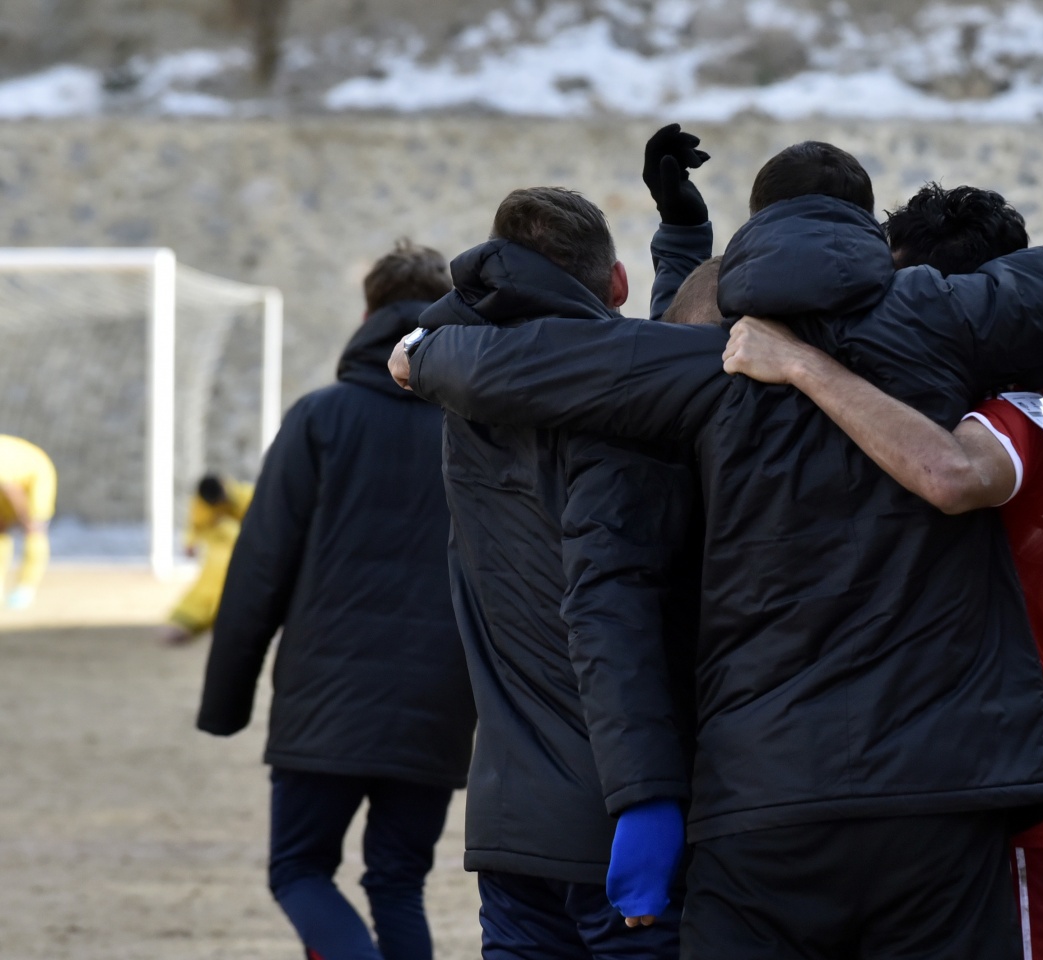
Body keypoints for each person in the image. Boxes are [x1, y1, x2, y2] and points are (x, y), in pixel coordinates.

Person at [392, 138, 1043, 958]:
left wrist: (431, 350)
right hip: (944, 790)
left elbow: (585, 361)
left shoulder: (719, 363)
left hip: (758, 793)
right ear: (866, 241)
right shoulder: (941, 327)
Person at [721, 183, 1043, 960]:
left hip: (1034, 803)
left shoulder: (1019, 407)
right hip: (1003, 777)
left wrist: (805, 365)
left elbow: (952, 475)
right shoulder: (1037, 399)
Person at [395, 183, 704, 958]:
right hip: (619, 816)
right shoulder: (613, 419)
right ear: (617, 283)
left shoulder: (466, 395)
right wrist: (647, 799)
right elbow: (611, 619)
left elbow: (613, 359)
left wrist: (684, 246)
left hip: (509, 818)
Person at [197, 240, 475, 960]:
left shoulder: (321, 417)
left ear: (366, 313)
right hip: (439, 702)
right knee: (399, 882)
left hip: (324, 699)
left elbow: (259, 568)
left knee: (299, 871)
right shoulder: (478, 427)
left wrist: (226, 703)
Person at [160, 473, 254, 646]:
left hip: (244, 546)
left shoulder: (247, 495)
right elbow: (195, 525)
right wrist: (190, 542)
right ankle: (193, 622)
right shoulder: (201, 503)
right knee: (215, 580)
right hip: (218, 549)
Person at [0, 434, 57, 611]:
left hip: (35, 475)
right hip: (6, 484)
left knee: (34, 528)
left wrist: (24, 517)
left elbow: (12, 490)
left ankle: (26, 588)